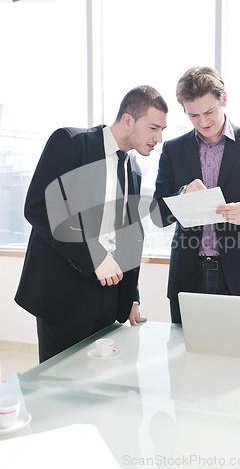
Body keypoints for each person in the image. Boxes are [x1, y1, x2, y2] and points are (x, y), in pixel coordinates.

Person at [15, 85, 168, 361]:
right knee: (59, 387)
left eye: (162, 130)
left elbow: (129, 235)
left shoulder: (133, 168)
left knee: (99, 385)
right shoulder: (71, 142)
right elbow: (39, 207)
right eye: (154, 128)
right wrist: (95, 254)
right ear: (128, 120)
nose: (159, 138)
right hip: (65, 291)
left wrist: (130, 295)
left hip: (110, 294)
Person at [152, 66, 240, 323]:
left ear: (224, 99)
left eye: (209, 111)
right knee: (186, 358)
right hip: (189, 276)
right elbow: (158, 214)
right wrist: (182, 193)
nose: (203, 122)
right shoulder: (173, 150)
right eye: (193, 115)